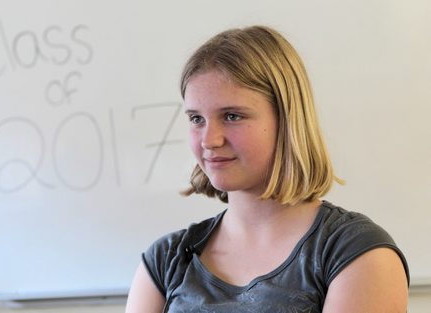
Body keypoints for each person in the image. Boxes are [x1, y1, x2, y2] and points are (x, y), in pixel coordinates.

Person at [125, 25, 409, 312]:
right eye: (196, 119)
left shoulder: (355, 253)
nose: (210, 140)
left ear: (286, 119)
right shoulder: (165, 262)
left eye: (232, 116)